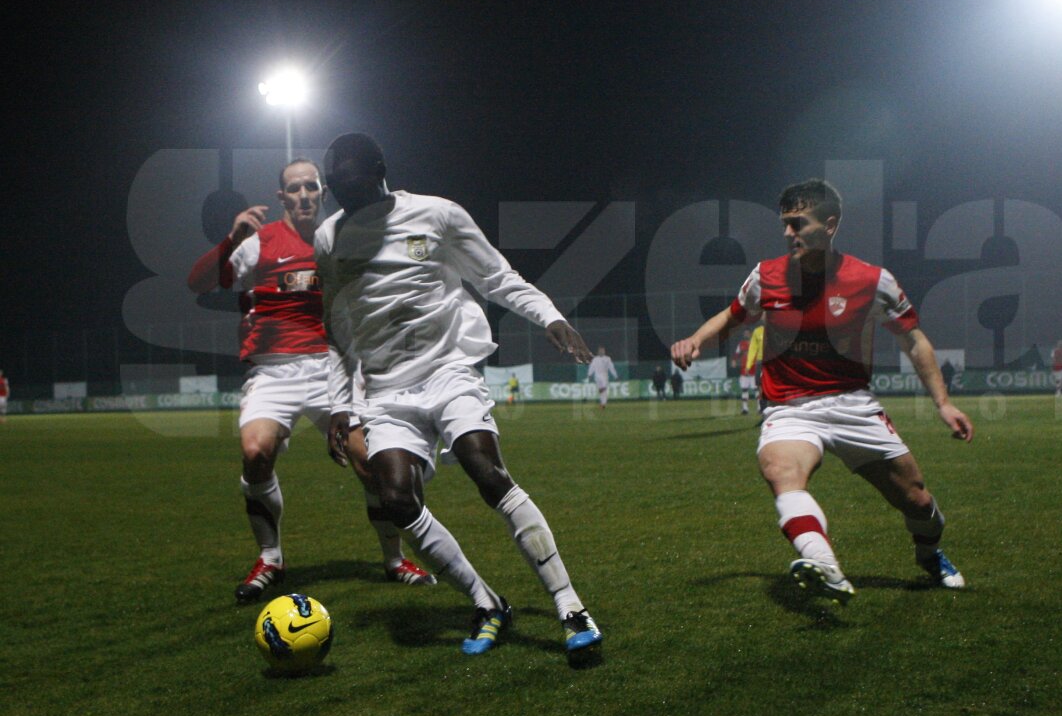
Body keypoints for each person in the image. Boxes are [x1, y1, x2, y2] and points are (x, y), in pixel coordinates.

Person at [315, 132, 602, 658]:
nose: (341, 194)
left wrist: (550, 317)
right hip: (385, 390)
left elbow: (496, 277)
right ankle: (486, 602)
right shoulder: (329, 239)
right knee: (396, 499)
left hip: (448, 370)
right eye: (335, 186)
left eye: (349, 183)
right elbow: (336, 326)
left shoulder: (438, 215)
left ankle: (570, 605)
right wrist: (340, 402)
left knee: (484, 469)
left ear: (379, 170)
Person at [671, 179, 974, 605]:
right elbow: (732, 315)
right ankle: (823, 564)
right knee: (781, 471)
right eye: (784, 224)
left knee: (918, 501)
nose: (787, 233)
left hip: (853, 405)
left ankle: (929, 555)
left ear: (829, 225)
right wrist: (696, 340)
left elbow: (914, 340)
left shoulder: (873, 280)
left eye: (798, 224)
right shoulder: (766, 276)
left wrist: (943, 403)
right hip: (789, 407)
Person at [187, 158, 434, 604]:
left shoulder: (339, 238)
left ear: (323, 192)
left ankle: (395, 560)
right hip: (273, 370)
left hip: (330, 366)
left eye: (311, 187)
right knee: (255, 452)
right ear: (281, 196)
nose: (304, 195)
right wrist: (231, 239)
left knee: (370, 462)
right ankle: (270, 558)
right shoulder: (259, 243)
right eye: (295, 188)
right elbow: (198, 283)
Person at [731, 328, 762, 415]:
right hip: (744, 371)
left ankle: (760, 408)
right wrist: (734, 360)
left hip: (754, 370)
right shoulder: (741, 344)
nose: (746, 335)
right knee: (744, 389)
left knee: (756, 390)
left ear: (751, 334)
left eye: (747, 333)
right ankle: (745, 409)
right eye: (745, 333)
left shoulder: (756, 343)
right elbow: (736, 354)